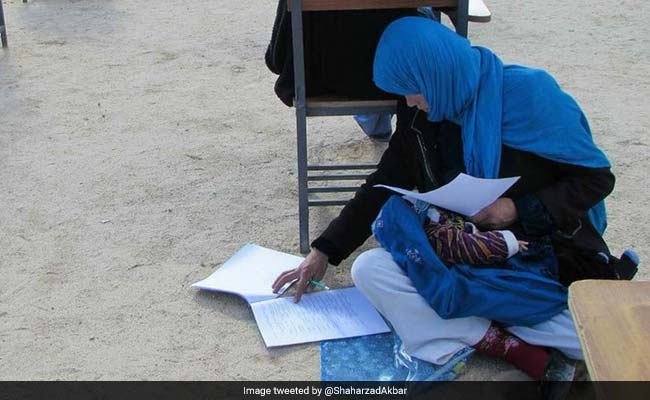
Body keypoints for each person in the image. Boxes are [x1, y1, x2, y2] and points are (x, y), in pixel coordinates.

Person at [272, 16, 636, 385]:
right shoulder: (422, 115)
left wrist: (516, 209)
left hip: (534, 254)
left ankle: (474, 327)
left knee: (598, 335)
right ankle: (503, 341)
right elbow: (382, 184)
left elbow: (595, 179)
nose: (410, 101)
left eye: (413, 89)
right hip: (461, 251)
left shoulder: (530, 95)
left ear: (434, 72)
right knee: (369, 270)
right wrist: (324, 250)